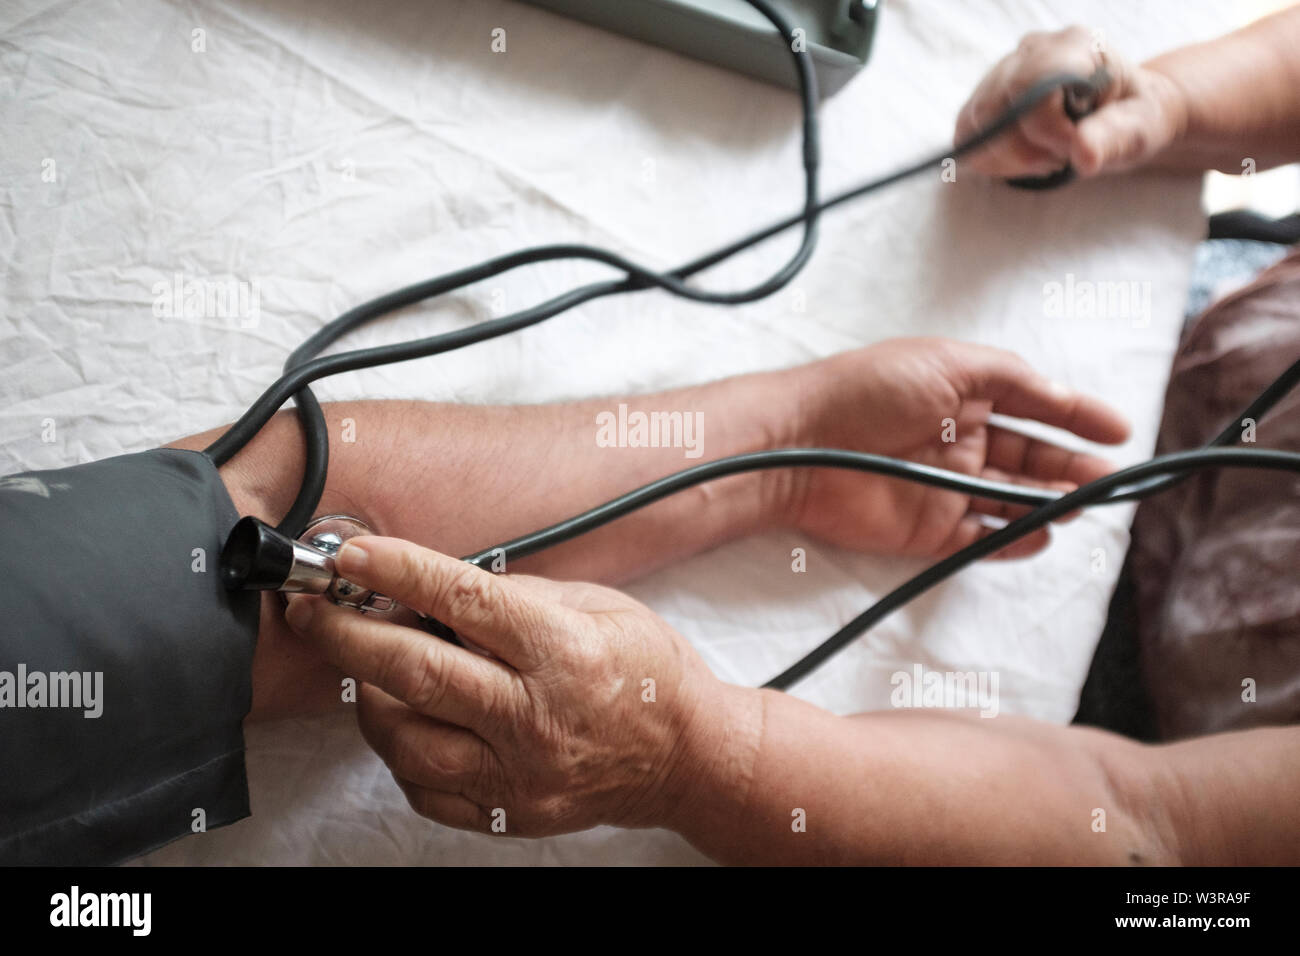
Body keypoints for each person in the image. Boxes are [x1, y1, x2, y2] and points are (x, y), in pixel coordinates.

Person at [280, 8, 1300, 864]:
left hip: (1150, 739)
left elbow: (1144, 826)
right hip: (1205, 364)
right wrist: (1168, 106)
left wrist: (694, 754)